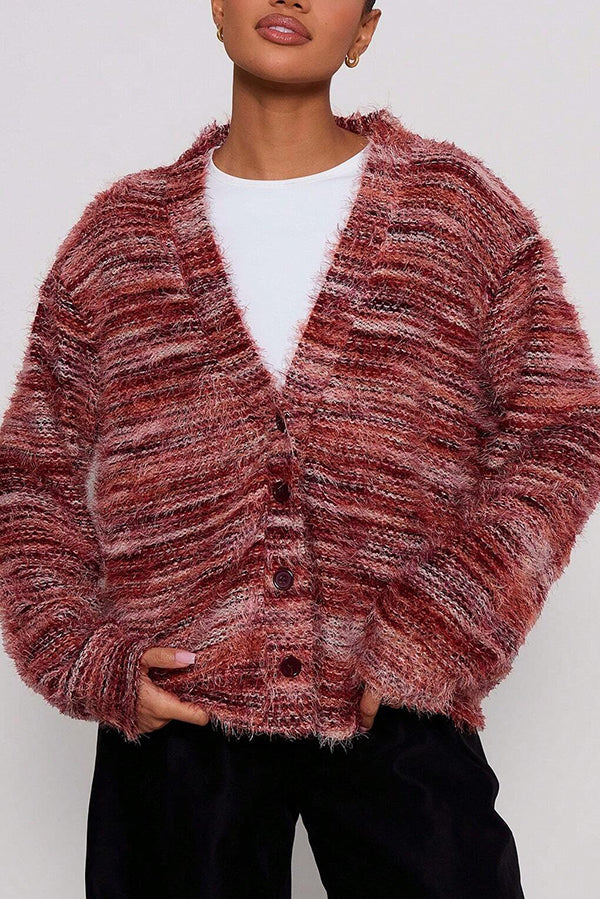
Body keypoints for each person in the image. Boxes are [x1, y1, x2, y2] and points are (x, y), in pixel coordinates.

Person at [2, 2, 600, 897]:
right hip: (176, 729)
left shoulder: (456, 214)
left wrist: (445, 621)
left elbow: (561, 428)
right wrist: (82, 652)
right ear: (217, 6)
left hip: (398, 702)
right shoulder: (118, 241)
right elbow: (31, 473)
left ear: (365, 30)